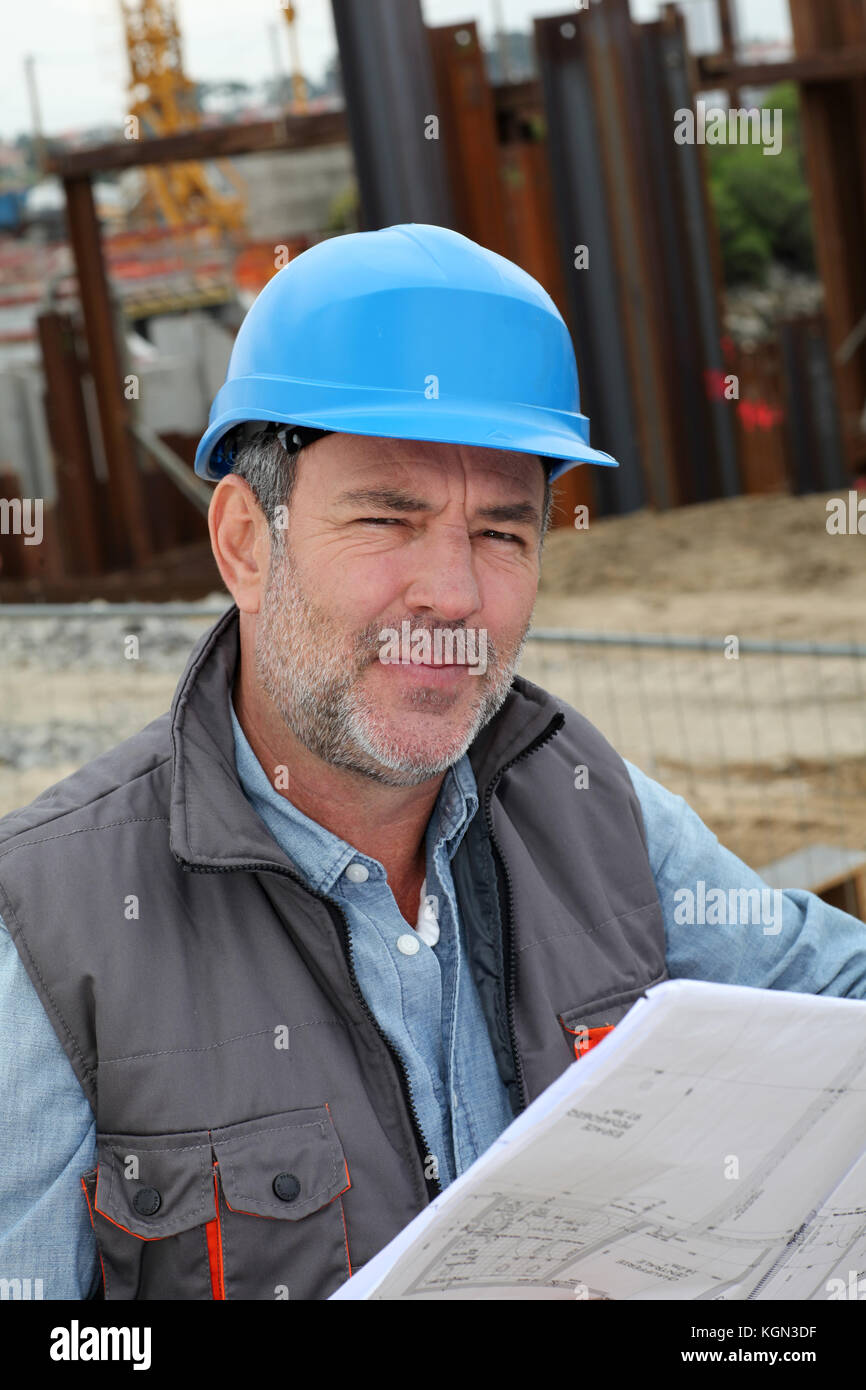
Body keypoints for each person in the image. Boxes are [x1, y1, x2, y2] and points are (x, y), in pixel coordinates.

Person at [1, 224, 864, 1301]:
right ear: (243, 544)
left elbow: (841, 1006)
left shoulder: (592, 814)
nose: (452, 595)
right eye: (385, 518)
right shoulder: (48, 929)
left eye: (501, 534)